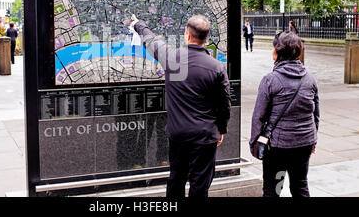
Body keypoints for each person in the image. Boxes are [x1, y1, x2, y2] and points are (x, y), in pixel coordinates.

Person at [131, 14, 231, 198]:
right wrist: (221, 130)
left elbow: (152, 41)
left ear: (187, 34)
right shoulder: (217, 67)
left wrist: (138, 24)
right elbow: (224, 105)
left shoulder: (171, 58)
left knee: (176, 180)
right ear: (205, 37)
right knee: (200, 185)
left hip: (178, 136)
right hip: (206, 136)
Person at [249, 31, 319, 197]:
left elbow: (259, 116)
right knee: (300, 186)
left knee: (273, 188)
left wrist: (254, 142)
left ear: (277, 52)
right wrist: (313, 141)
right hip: (304, 142)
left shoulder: (270, 80)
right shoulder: (310, 79)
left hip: (277, 146)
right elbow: (315, 114)